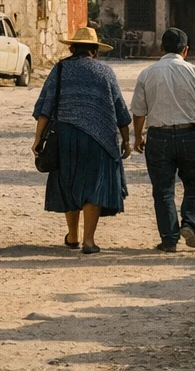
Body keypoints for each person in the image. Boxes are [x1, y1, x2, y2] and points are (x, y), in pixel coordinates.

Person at [32, 26, 132, 255]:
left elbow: (45, 107)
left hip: (66, 137)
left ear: (72, 47)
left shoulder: (59, 69)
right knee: (93, 187)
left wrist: (38, 138)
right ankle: (89, 240)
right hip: (99, 139)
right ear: (94, 50)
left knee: (69, 184)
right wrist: (126, 141)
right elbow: (120, 110)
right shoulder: (105, 72)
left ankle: (73, 235)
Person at [130, 28, 195, 252]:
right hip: (190, 135)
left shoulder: (147, 73)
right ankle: (189, 223)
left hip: (158, 136)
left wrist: (138, 136)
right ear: (186, 50)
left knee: (163, 189)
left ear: (161, 48)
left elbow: (139, 111)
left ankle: (169, 238)